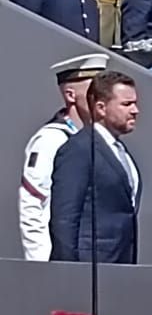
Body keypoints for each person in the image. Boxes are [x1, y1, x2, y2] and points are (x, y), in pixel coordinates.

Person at [50, 69, 143, 265]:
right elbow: (64, 218)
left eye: (135, 103)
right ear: (101, 108)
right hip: (90, 270)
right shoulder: (80, 149)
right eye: (126, 104)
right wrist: (69, 272)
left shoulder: (119, 150)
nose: (135, 110)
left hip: (120, 267)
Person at [20, 54, 105, 263]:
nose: (101, 98)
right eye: (93, 92)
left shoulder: (99, 138)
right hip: (58, 262)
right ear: (70, 95)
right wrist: (40, 264)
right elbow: (32, 203)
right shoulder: (52, 139)